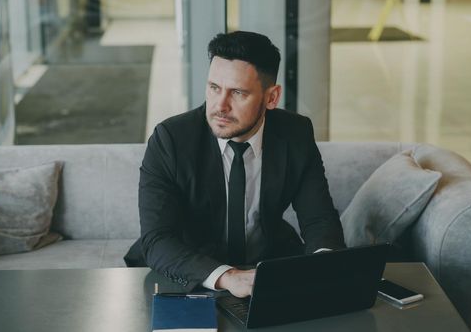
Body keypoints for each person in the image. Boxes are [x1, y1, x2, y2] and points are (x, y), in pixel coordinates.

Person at [124, 31, 345, 298]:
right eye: (214, 88)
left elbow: (319, 219)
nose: (220, 106)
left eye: (238, 93)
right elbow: (157, 240)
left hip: (266, 269)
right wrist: (227, 277)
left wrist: (324, 265)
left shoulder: (295, 133)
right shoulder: (170, 139)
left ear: (271, 97)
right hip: (190, 273)